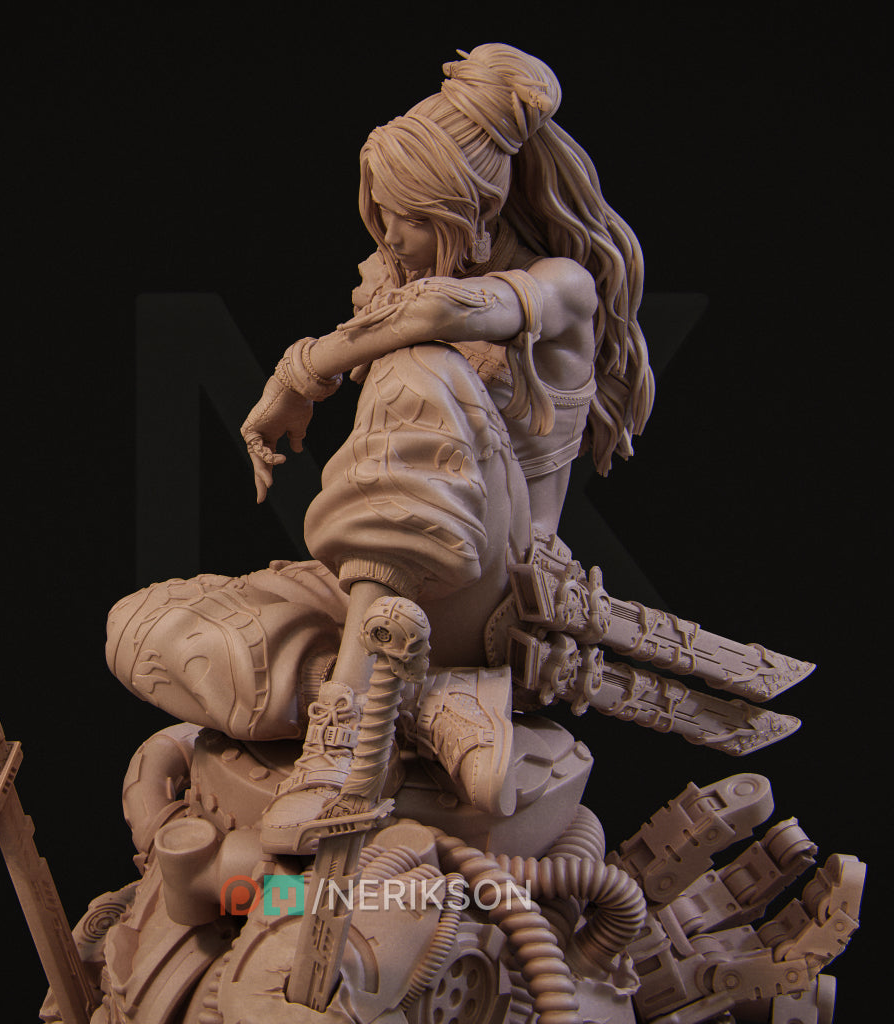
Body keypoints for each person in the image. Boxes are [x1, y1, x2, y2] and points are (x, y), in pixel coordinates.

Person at [107, 44, 652, 852]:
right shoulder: (399, 276)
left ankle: (345, 737)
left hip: (495, 597)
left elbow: (439, 316)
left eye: (409, 217)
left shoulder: (561, 286)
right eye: (383, 213)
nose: (390, 235)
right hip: (380, 597)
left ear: (474, 209)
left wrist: (300, 372)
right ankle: (424, 702)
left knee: (416, 368)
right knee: (140, 627)